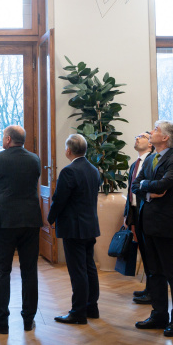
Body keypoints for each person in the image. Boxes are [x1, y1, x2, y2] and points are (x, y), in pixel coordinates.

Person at [0, 125, 42, 334]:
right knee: (29, 271)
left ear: (7, 139)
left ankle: (1, 322)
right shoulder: (35, 159)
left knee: (2, 271)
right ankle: (28, 320)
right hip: (30, 221)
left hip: (4, 222)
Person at [131, 120, 173, 338]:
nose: (151, 133)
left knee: (172, 273)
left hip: (165, 224)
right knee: (154, 272)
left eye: (155, 130)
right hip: (147, 222)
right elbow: (136, 185)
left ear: (165, 138)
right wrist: (148, 190)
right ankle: (159, 315)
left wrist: (148, 186)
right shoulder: (151, 158)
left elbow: (164, 186)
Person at [47, 133, 102, 325]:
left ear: (68, 150)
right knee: (89, 267)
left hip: (73, 227)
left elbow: (59, 199)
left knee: (77, 270)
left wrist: (50, 218)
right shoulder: (94, 170)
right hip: (89, 226)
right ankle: (91, 307)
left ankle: (78, 312)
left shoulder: (69, 171)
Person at [123, 131, 155, 304]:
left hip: (147, 212)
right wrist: (127, 215)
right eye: (136, 136)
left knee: (150, 253)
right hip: (135, 212)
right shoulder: (135, 164)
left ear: (150, 143)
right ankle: (148, 289)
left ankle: (153, 291)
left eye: (142, 136)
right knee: (143, 251)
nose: (137, 138)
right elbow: (130, 191)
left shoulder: (152, 161)